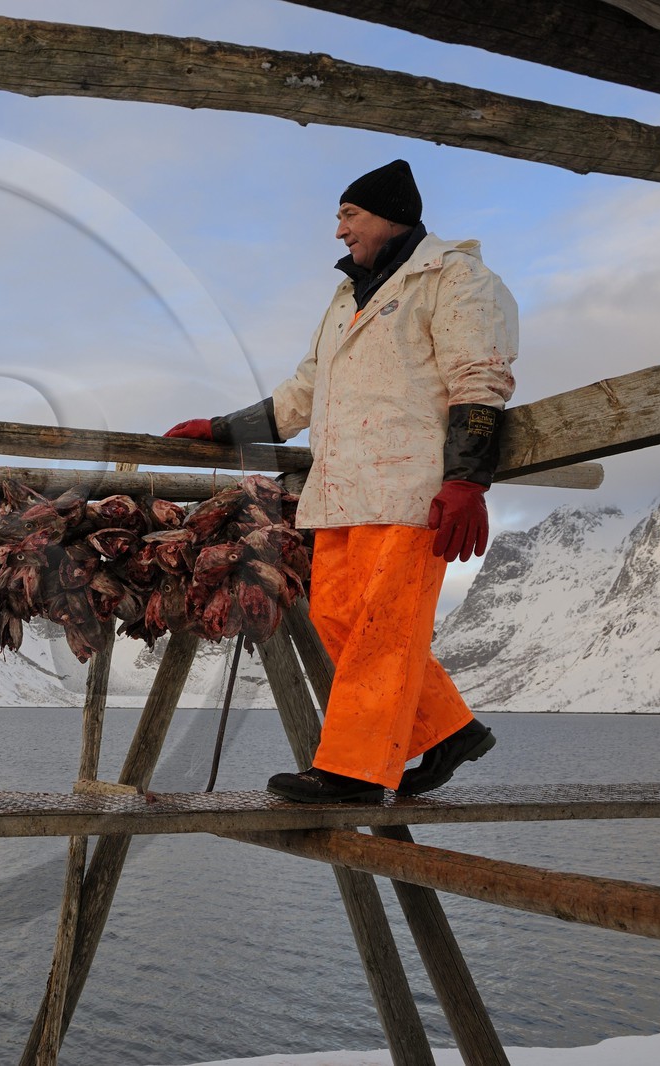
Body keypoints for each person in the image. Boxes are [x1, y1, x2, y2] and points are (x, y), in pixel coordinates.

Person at [165, 159, 514, 803]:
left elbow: (480, 376)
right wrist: (221, 428)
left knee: (384, 631)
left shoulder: (456, 277)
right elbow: (302, 394)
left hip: (414, 492)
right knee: (336, 617)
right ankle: (447, 733)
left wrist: (467, 480)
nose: (338, 231)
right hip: (342, 492)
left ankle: (353, 772)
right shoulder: (347, 297)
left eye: (348, 215)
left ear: (388, 216)